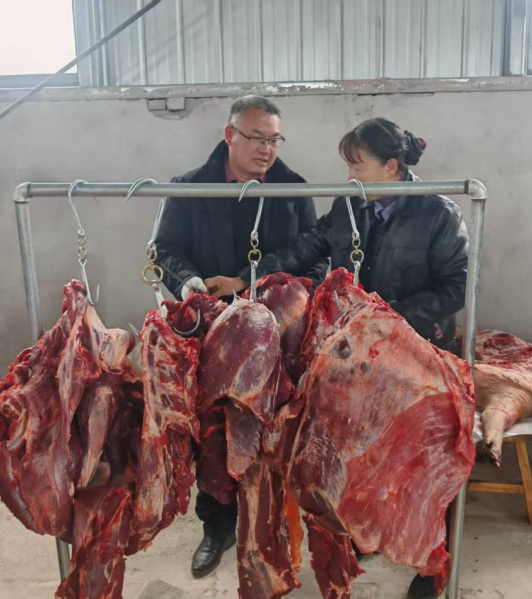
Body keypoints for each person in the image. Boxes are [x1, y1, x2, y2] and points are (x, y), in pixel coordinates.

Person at [244, 117, 468, 598]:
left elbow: (456, 287)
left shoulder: (438, 213)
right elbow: (307, 246)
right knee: (363, 452)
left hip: (420, 356)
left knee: (425, 463)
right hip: (362, 358)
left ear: (391, 168)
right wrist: (248, 277)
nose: (349, 176)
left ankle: (432, 565)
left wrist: (386, 317)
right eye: (346, 165)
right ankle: (366, 533)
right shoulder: (349, 205)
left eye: (357, 165)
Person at [155, 95, 326, 579]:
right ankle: (216, 528)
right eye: (256, 137)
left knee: (273, 432)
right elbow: (165, 249)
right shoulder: (189, 188)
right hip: (211, 332)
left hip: (277, 337)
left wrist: (262, 291)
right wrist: (189, 284)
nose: (266, 148)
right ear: (229, 135)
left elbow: (316, 258)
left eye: (274, 139)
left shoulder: (294, 190)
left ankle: (271, 527)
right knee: (213, 433)